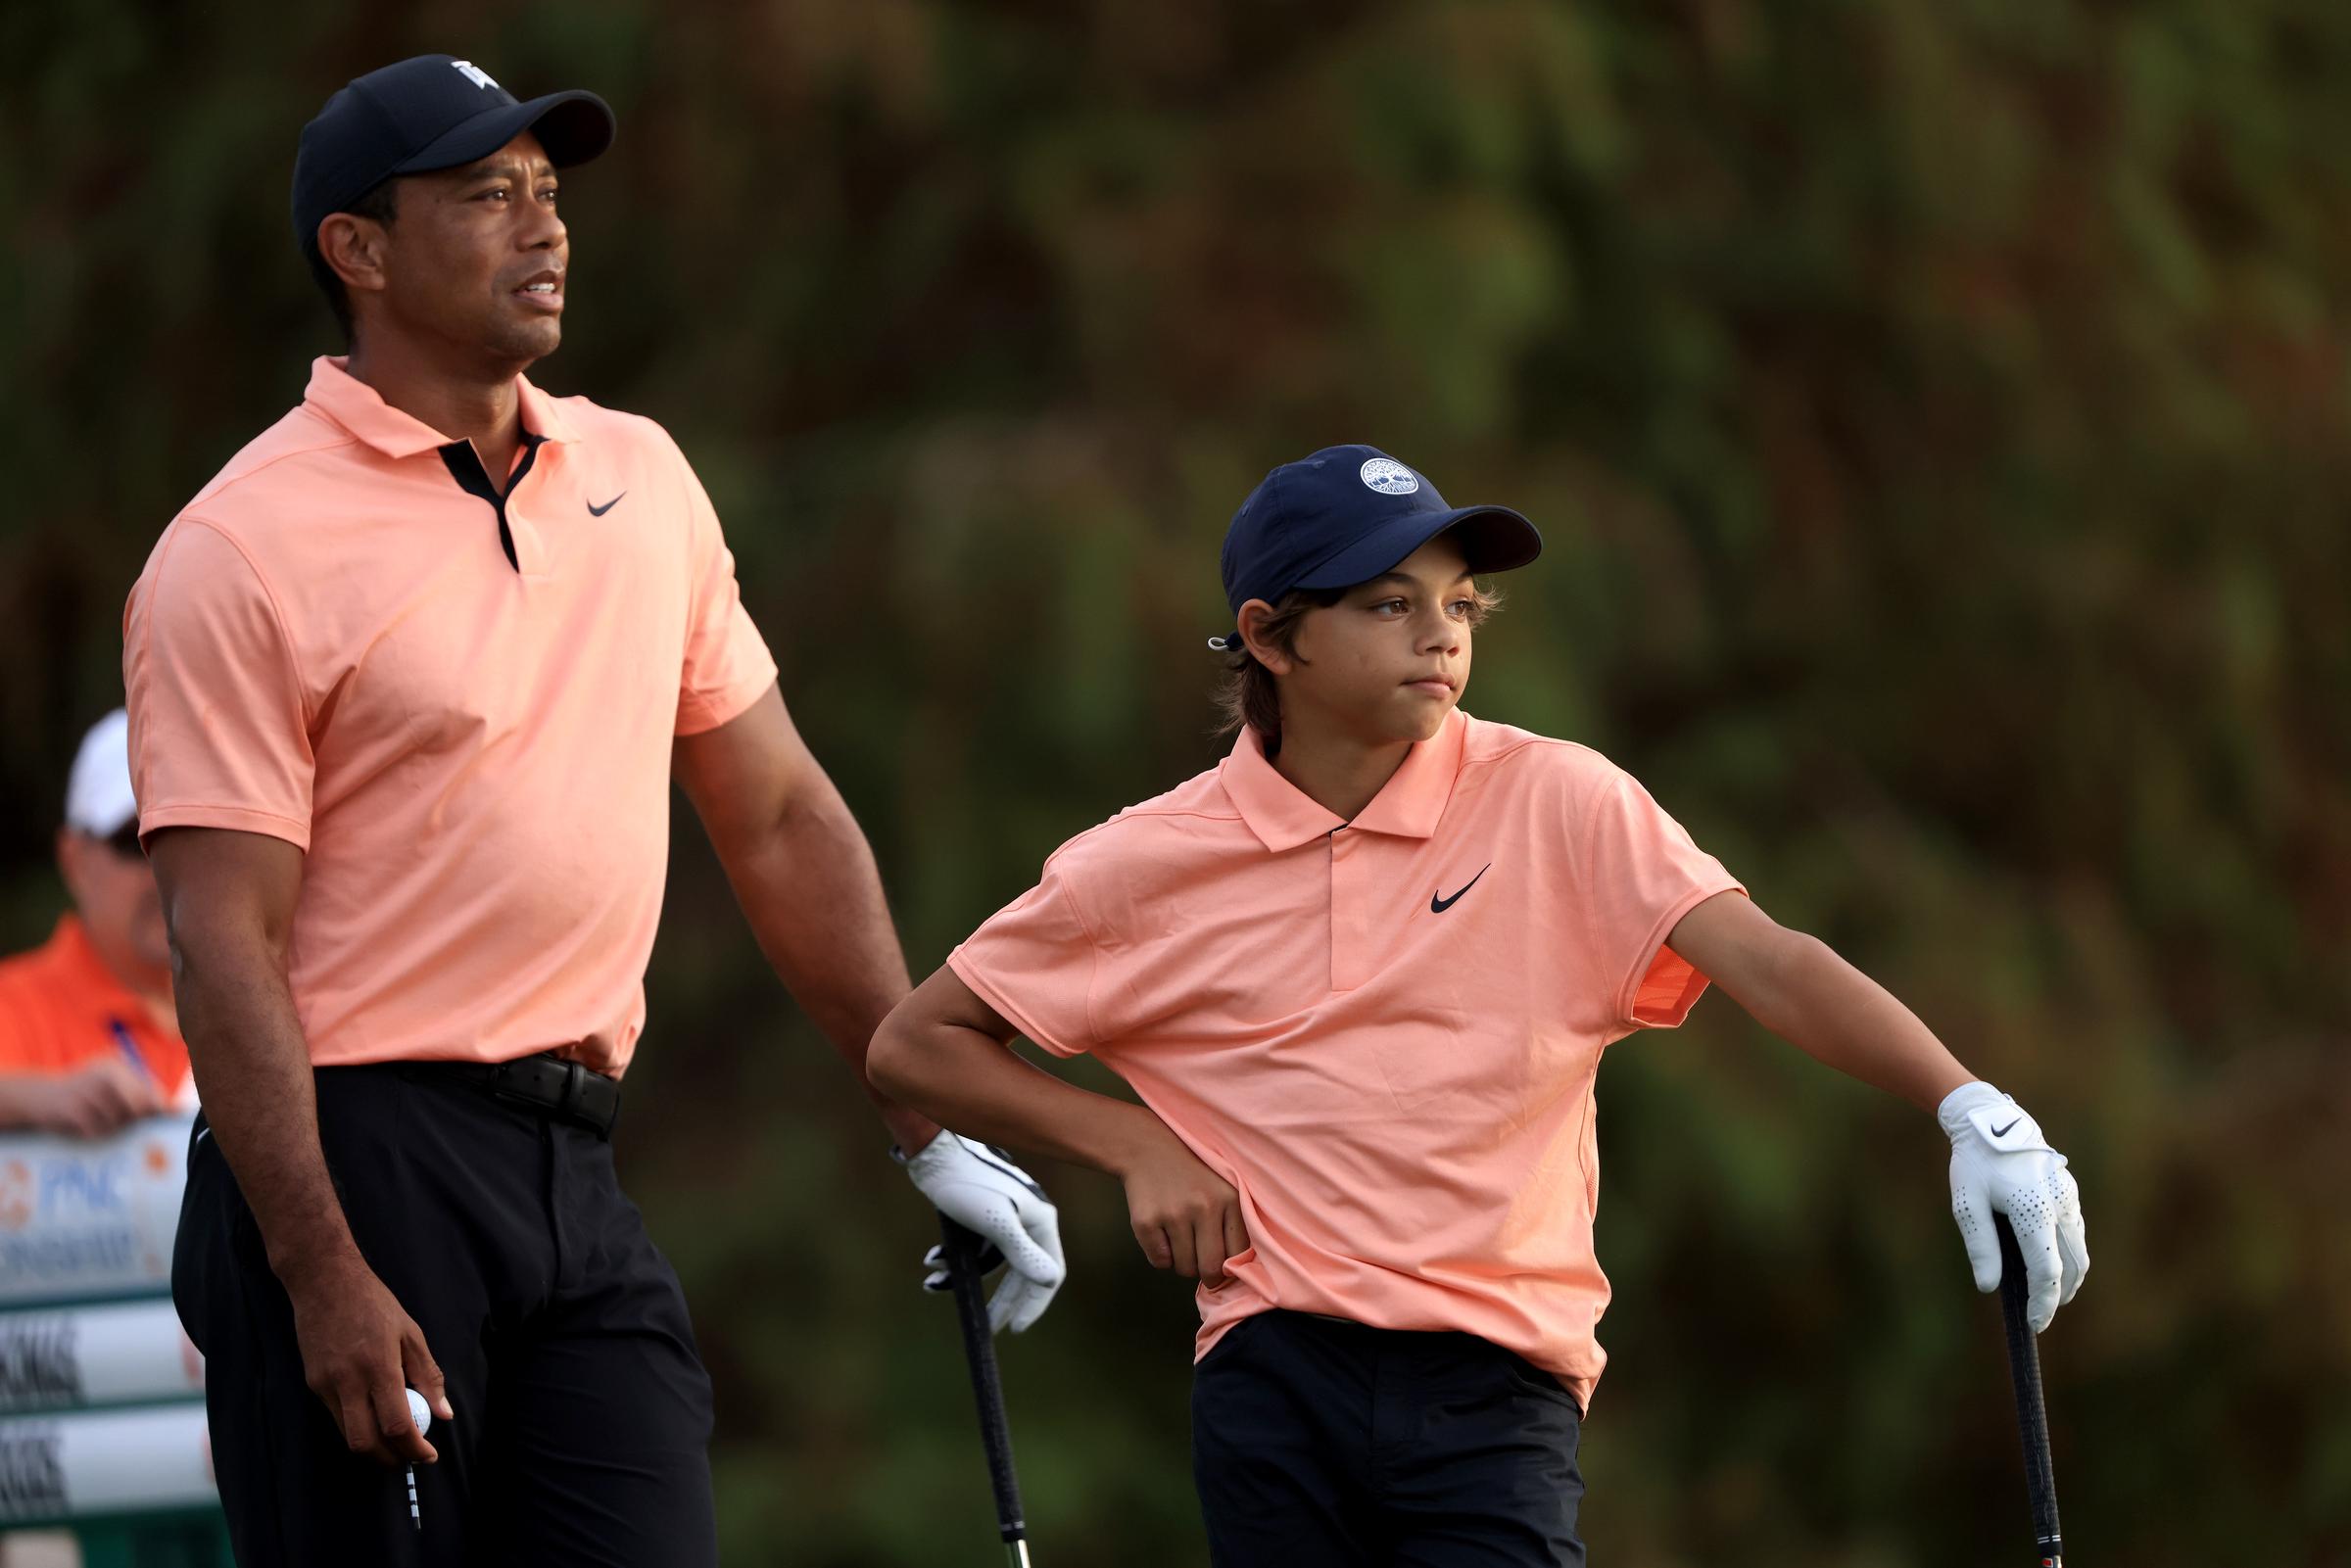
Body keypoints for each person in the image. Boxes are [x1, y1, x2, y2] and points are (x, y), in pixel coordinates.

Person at [122, 55, 1062, 1568]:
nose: (542, 230)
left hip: (574, 1169)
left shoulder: (644, 478)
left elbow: (778, 819)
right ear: (356, 251)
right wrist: (320, 1272)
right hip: (357, 1160)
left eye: (549, 195)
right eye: (486, 197)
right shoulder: (237, 547)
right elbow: (224, 940)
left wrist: (923, 1108)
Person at [868, 445, 2093, 1565]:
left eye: (1459, 604)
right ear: (1273, 636)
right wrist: (1128, 1140)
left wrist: (1967, 1099)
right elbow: (915, 1045)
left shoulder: (1559, 800)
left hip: (1497, 1385)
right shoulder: (1144, 864)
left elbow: (1766, 959)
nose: (1439, 635)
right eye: (1389, 604)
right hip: (1271, 1369)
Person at [0, 709, 187, 1135]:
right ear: (73, 860)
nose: (164, 867)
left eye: (184, 835)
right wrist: (37, 1100)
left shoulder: (273, 1006)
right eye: (132, 840)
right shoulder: (13, 1007)